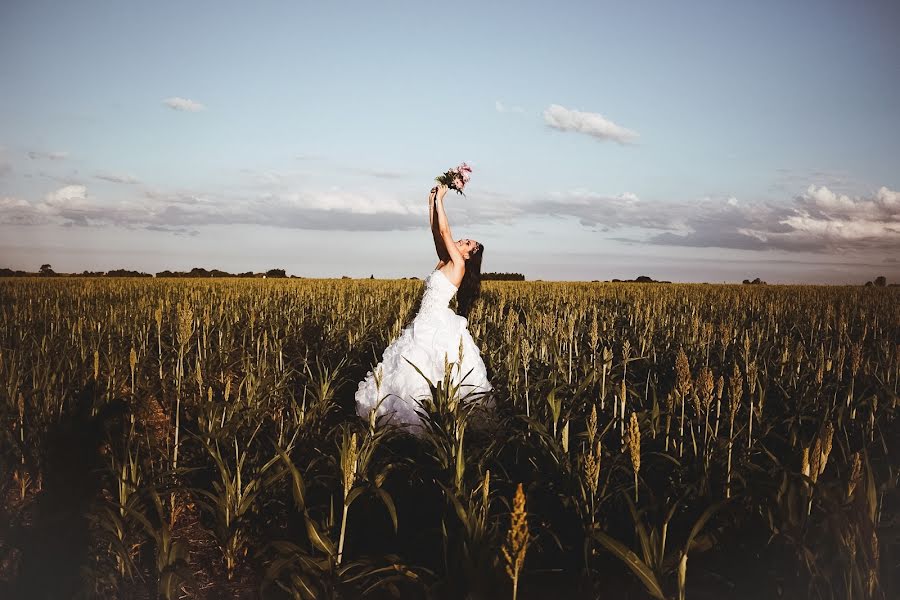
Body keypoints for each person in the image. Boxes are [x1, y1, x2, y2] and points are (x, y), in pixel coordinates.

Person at [354, 180, 493, 433]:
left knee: (425, 371)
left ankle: (426, 425)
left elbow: (445, 233)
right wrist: (431, 203)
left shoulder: (458, 266)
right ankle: (410, 423)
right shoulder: (444, 261)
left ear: (467, 256)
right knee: (409, 371)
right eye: (464, 240)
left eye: (467, 244)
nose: (462, 242)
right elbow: (436, 233)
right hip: (424, 321)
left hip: (436, 324)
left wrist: (442, 200)